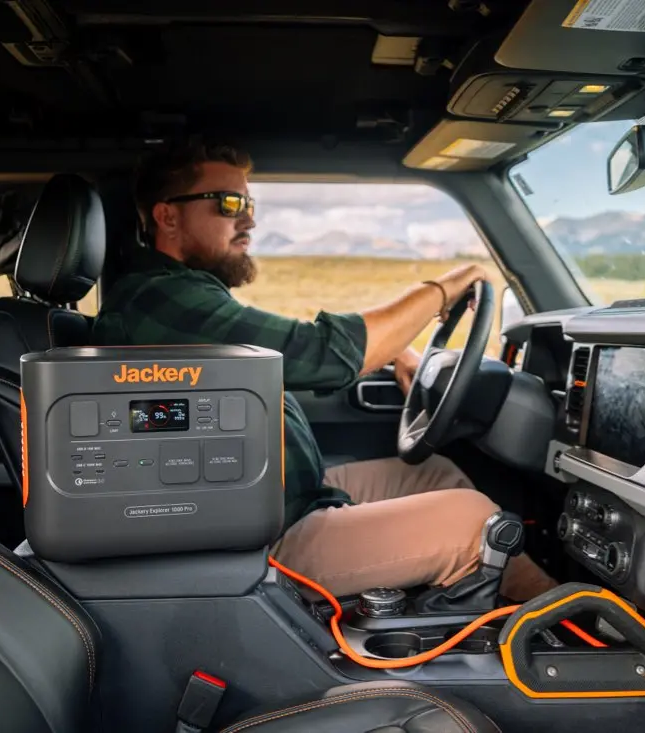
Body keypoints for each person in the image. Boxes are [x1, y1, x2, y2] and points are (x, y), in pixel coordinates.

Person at [91, 139, 557, 602]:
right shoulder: (160, 300)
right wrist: (444, 288)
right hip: (260, 541)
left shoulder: (180, 297)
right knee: (474, 521)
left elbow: (277, 342)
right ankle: (564, 624)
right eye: (229, 203)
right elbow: (322, 352)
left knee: (433, 473)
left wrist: (395, 351)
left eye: (249, 204)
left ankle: (470, 614)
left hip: (279, 497)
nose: (248, 219)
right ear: (168, 216)